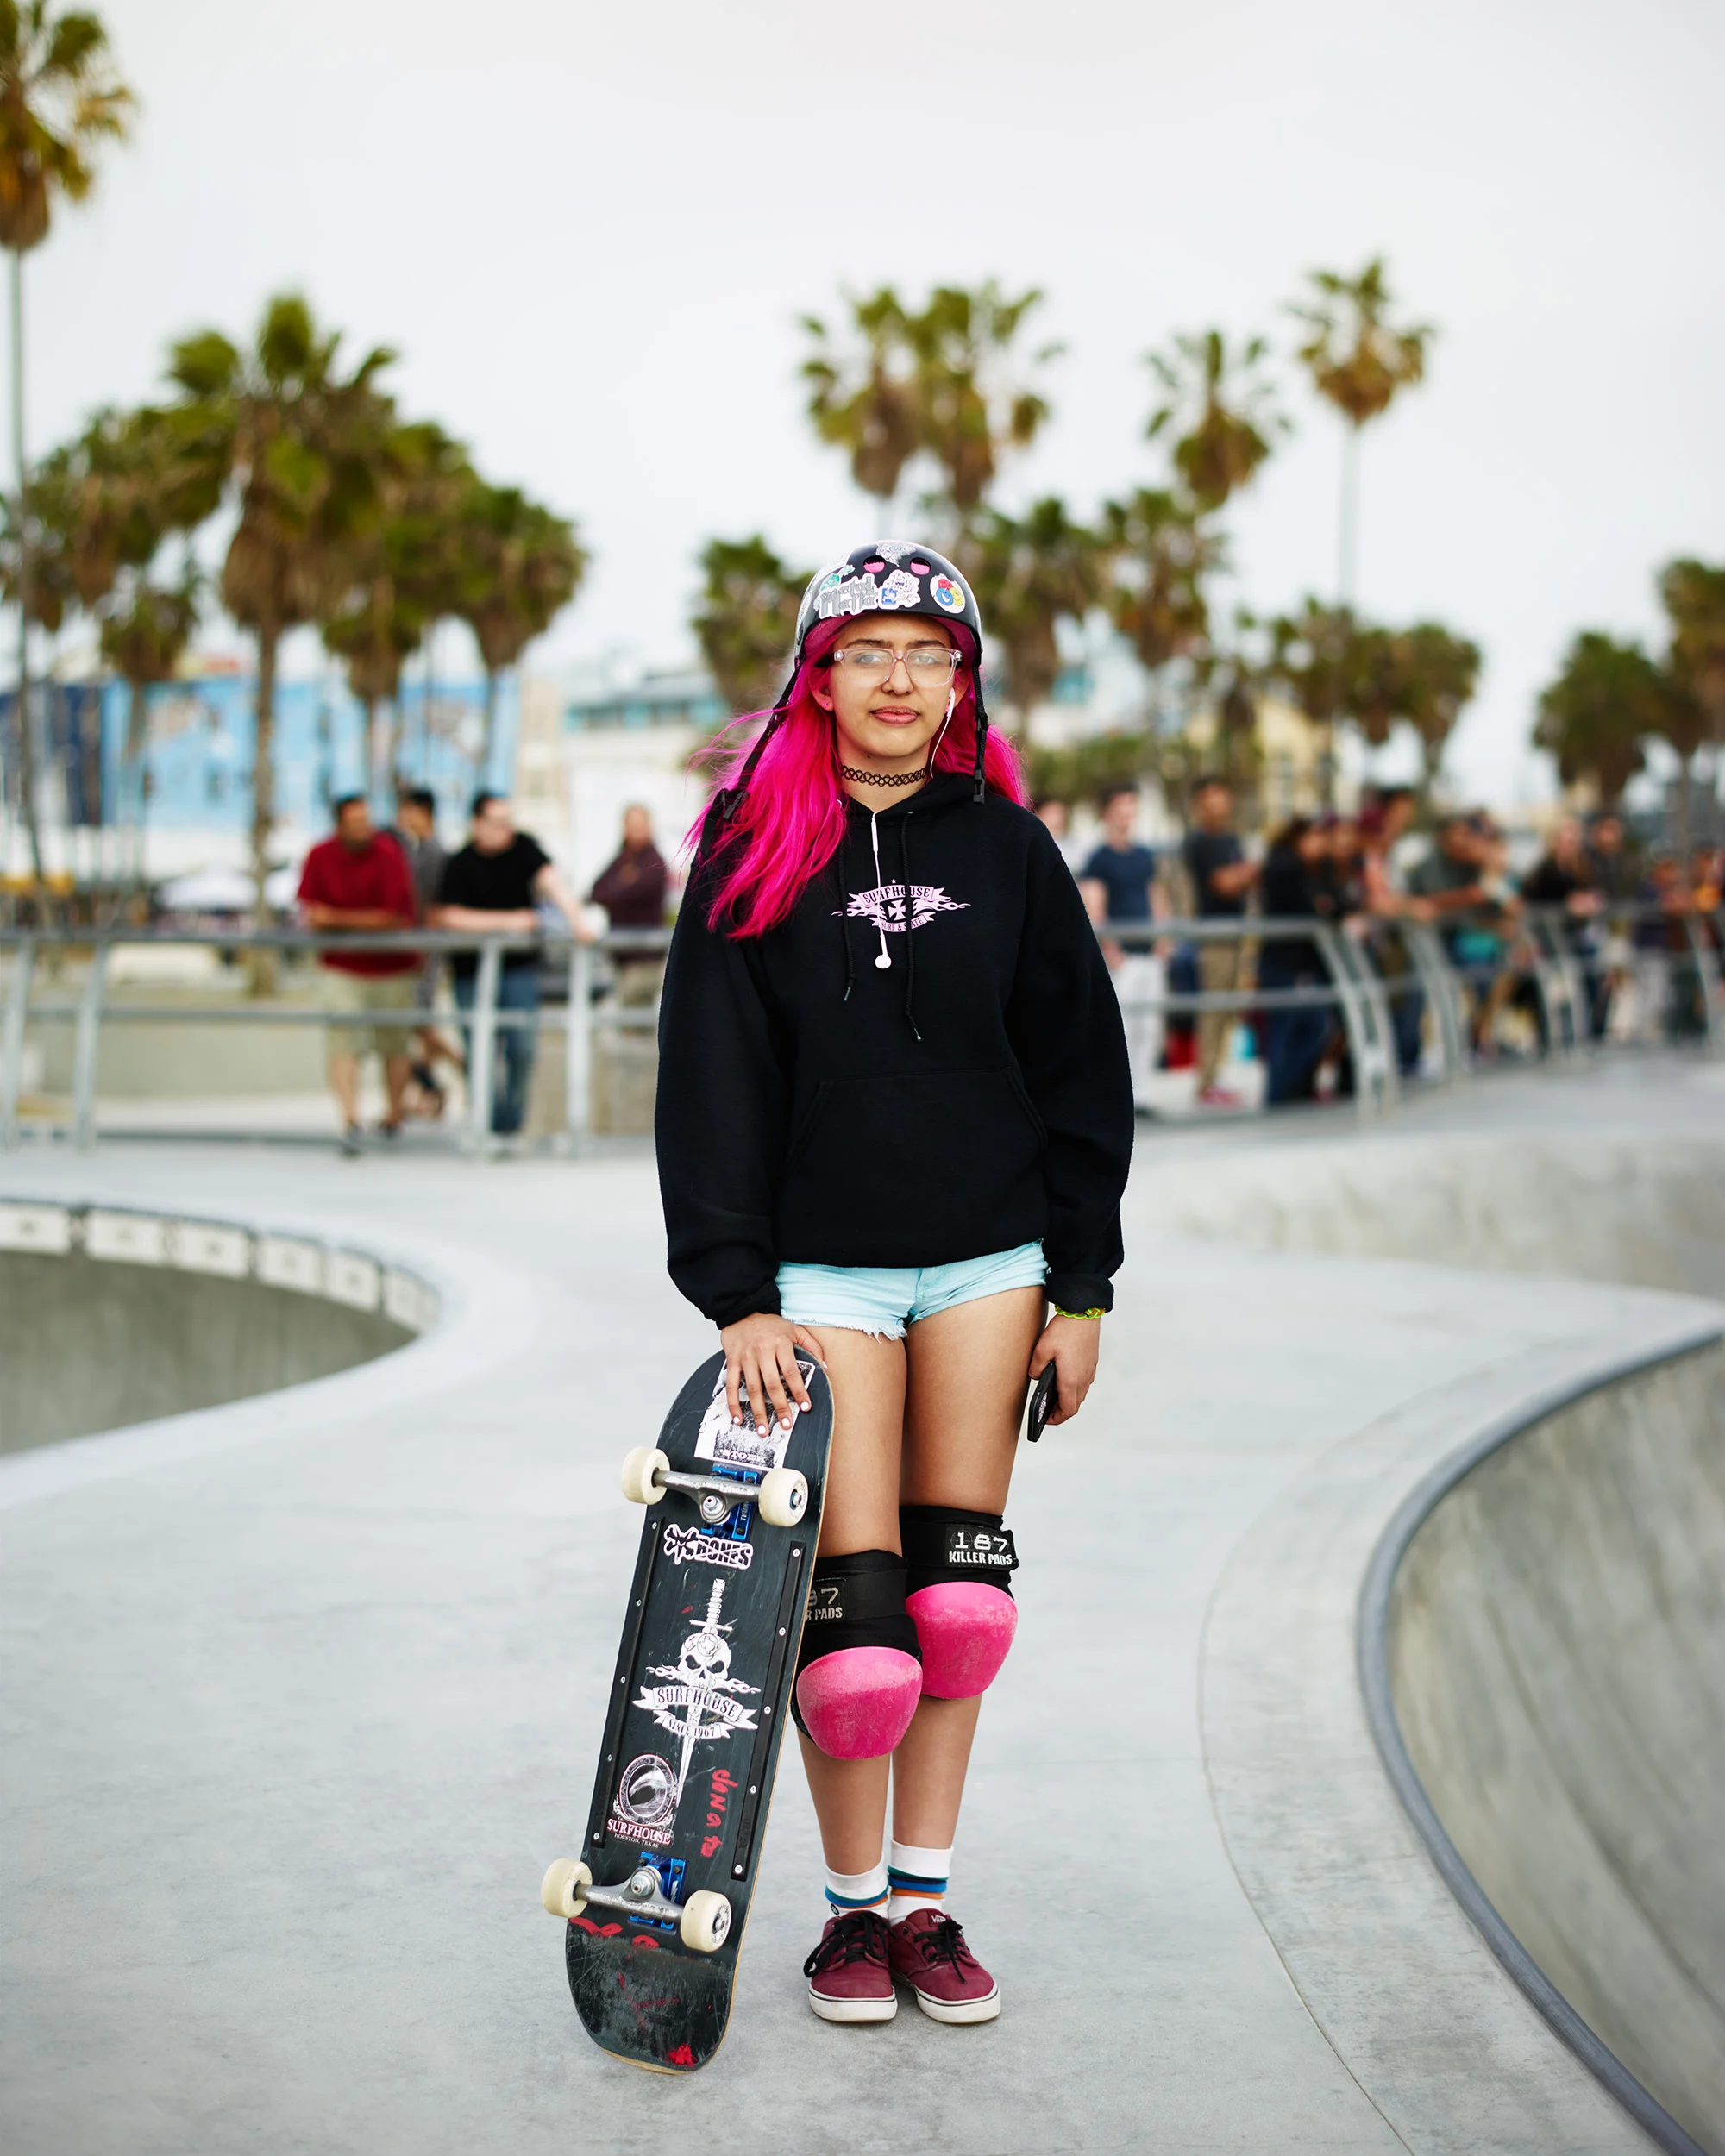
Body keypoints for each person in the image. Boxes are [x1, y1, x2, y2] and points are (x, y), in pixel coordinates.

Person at [655, 542, 1134, 2029]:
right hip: (824, 1276)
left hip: (994, 1264)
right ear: (818, 675)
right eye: (866, 652)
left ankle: (925, 1901)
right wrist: (737, 1294)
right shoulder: (751, 849)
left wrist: (1086, 1283)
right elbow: (709, 1083)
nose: (899, 679)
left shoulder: (1009, 846)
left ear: (960, 680)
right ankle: (849, 1917)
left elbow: (1081, 1066)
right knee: (853, 1638)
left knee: (958, 1610)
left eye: (927, 654)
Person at [430, 793, 586, 1138]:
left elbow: (553, 882)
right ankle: (489, 1122)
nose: (506, 830)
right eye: (497, 823)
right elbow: (449, 916)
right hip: (471, 974)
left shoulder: (523, 848)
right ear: (477, 824)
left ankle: (511, 1123)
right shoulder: (459, 863)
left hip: (518, 970)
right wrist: (513, 921)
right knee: (479, 1050)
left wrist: (577, 920)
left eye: (508, 822)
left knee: (522, 1047)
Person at [297, 795, 419, 1154]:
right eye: (355, 823)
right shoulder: (320, 855)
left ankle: (394, 1115)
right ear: (339, 825)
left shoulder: (388, 853)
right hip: (342, 965)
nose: (363, 829)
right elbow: (311, 914)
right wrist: (363, 921)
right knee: (342, 1038)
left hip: (392, 965)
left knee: (395, 1041)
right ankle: (350, 1118)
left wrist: (335, 919)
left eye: (367, 821)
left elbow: (392, 917)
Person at [1077, 785, 1163, 1102]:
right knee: (1122, 1025)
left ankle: (1141, 1092)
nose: (1127, 814)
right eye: (1121, 806)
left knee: (1149, 1026)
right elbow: (1094, 904)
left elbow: (1155, 895)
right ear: (1107, 813)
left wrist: (1162, 939)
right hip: (1121, 956)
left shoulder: (1144, 855)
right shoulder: (1099, 858)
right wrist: (1110, 949)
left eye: (1132, 806)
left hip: (1148, 951)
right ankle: (1117, 1094)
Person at [1181, 776, 1259, 1108]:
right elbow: (1224, 883)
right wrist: (1249, 872)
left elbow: (1239, 880)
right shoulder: (1199, 842)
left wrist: (1243, 875)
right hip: (1213, 937)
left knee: (1228, 1008)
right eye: (1210, 799)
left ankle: (1216, 1075)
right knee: (1213, 1008)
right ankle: (1206, 1080)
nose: (1217, 805)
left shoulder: (1231, 839)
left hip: (1235, 934)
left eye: (1222, 798)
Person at [392, 786, 463, 1116]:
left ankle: (460, 1063)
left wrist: (423, 948)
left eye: (408, 812)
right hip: (417, 946)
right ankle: (429, 1091)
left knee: (417, 1020)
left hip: (427, 948)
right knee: (420, 1022)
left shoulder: (435, 853)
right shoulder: (416, 850)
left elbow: (435, 906)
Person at [1257, 818, 1334, 1106]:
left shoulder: (1303, 867)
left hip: (1296, 963)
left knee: (1310, 1025)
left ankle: (1289, 1088)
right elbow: (1311, 906)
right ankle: (1279, 1094)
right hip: (1284, 963)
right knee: (1286, 1029)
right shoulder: (1286, 867)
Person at [588, 803, 670, 1006]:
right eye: (631, 825)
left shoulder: (654, 861)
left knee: (634, 1024)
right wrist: (623, 883)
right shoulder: (622, 859)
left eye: (640, 825)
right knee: (622, 1022)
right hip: (619, 958)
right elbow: (596, 892)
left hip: (644, 958)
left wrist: (618, 887)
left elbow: (631, 892)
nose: (636, 831)